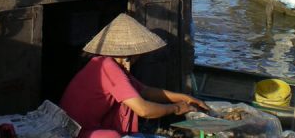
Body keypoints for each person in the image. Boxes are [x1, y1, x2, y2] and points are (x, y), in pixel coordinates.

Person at [60, 13, 210, 138]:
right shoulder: (108, 68)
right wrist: (177, 108)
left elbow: (146, 91)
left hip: (80, 127)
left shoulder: (104, 62)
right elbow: (143, 110)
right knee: (113, 136)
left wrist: (186, 98)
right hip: (75, 133)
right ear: (131, 54)